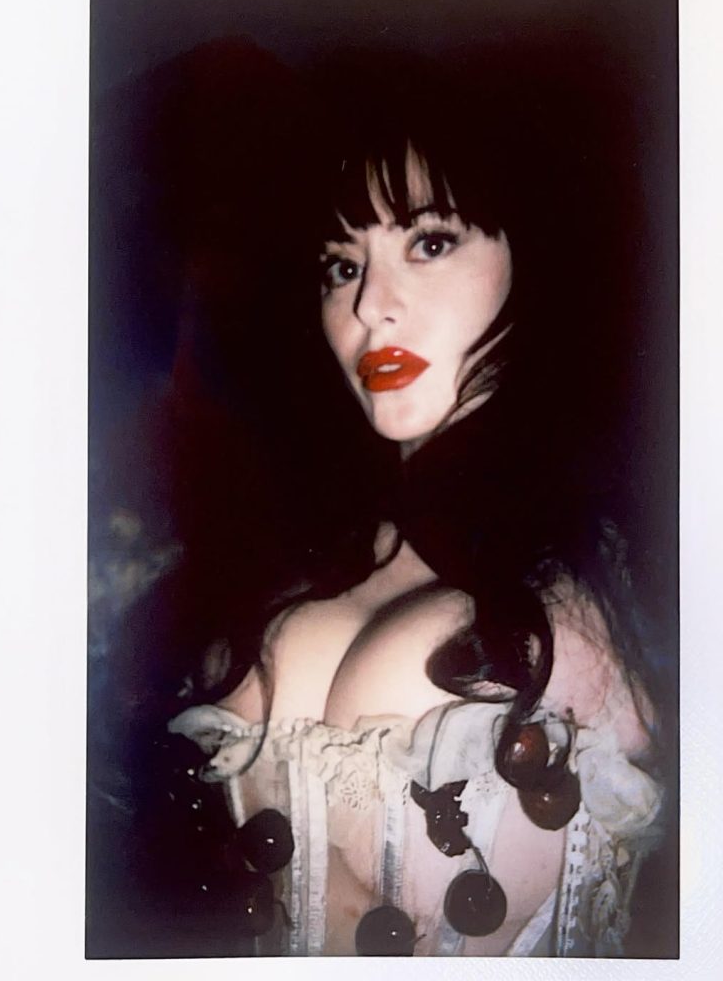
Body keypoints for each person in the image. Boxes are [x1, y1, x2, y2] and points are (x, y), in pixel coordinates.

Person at [119, 48, 672, 957]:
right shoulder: (320, 539)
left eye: (430, 242)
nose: (371, 305)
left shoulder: (617, 568)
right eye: (341, 265)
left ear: (533, 253)